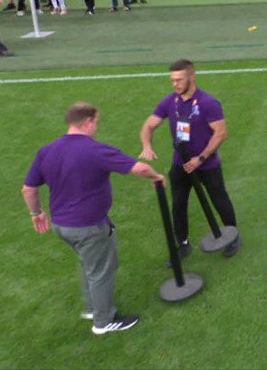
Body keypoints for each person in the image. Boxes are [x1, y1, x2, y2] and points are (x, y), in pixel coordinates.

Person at [21, 102, 164, 335]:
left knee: (88, 264)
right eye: (96, 121)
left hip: (61, 226)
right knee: (101, 272)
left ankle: (91, 308)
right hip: (89, 227)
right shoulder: (95, 150)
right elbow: (139, 168)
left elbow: (28, 189)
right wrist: (156, 176)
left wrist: (36, 213)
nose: (97, 126)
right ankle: (104, 321)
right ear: (88, 121)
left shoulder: (46, 150)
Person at [139, 59, 241, 261]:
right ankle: (183, 244)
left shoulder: (208, 103)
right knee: (178, 204)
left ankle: (232, 237)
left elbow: (220, 134)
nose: (175, 84)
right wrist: (146, 146)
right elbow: (149, 125)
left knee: (219, 200)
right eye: (172, 80)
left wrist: (200, 158)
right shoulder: (170, 101)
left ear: (191, 77)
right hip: (180, 165)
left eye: (179, 80)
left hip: (207, 165)